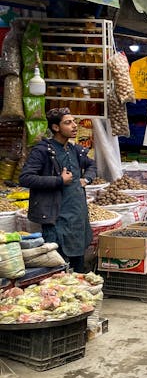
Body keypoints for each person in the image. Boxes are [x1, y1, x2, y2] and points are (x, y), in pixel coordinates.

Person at [20, 108, 96, 272]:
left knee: (79, 268)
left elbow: (91, 165)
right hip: (56, 218)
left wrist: (87, 179)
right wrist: (59, 180)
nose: (74, 126)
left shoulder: (74, 149)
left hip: (77, 217)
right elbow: (25, 178)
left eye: (74, 121)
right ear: (55, 127)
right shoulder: (43, 150)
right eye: (68, 123)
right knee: (58, 270)